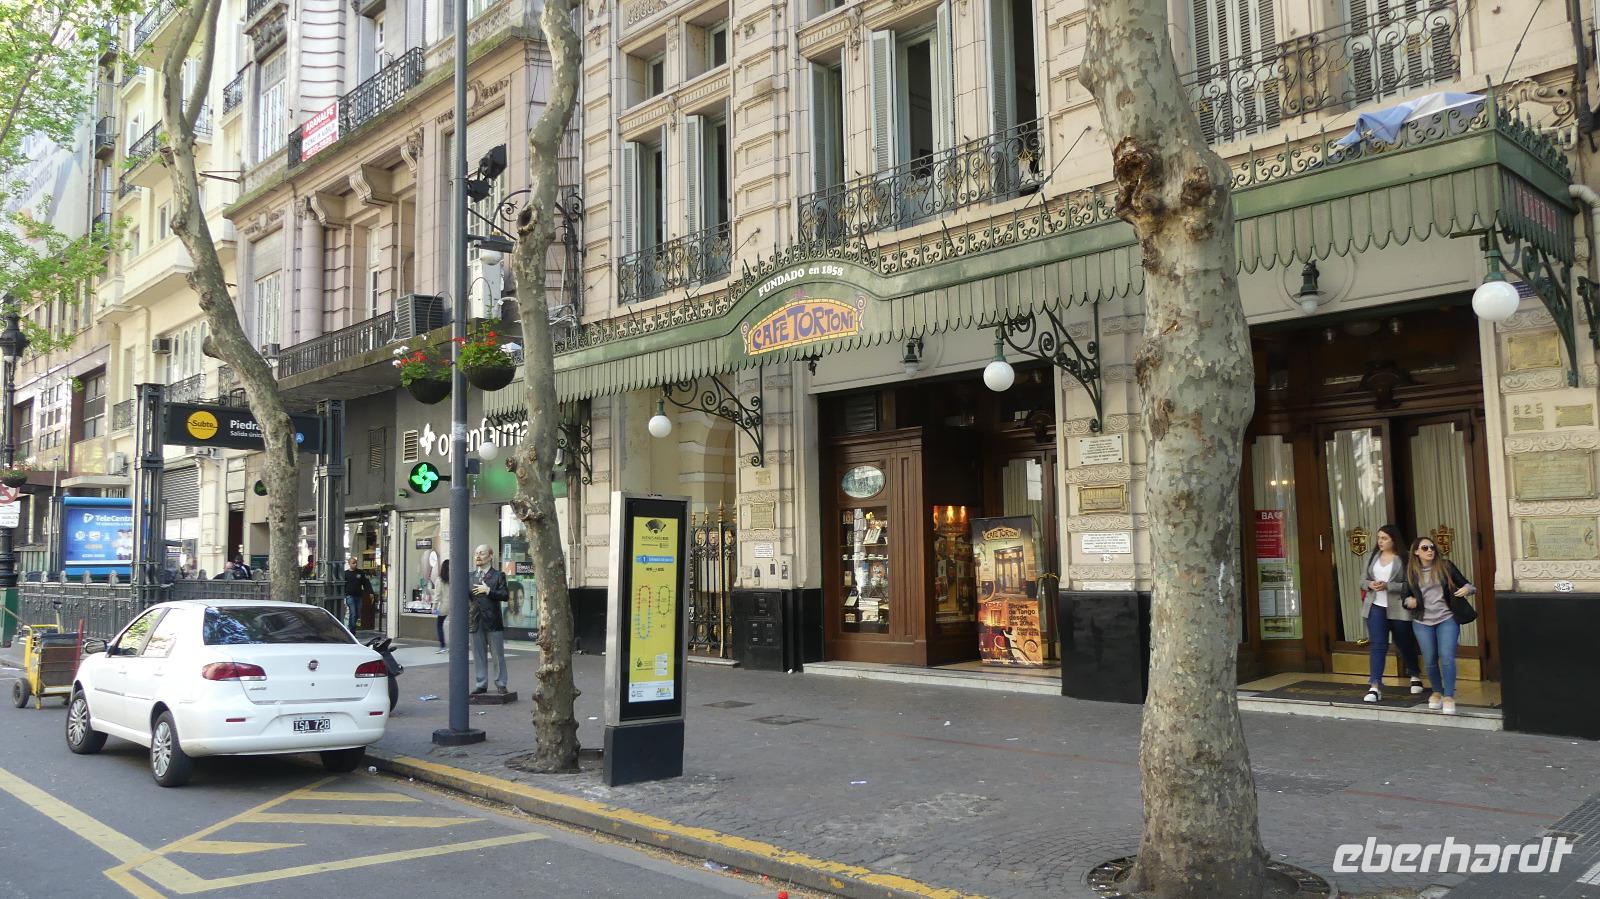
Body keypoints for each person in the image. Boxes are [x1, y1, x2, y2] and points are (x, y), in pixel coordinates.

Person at [1402, 537, 1475, 715]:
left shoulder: (1445, 566)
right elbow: (1405, 596)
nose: (1430, 550)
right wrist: (1409, 601)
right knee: (1429, 659)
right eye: (1425, 548)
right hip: (1422, 621)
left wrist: (1467, 589)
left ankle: (1448, 696)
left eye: (1432, 547)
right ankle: (1437, 692)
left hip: (1446, 618)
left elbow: (1469, 585)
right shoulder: (1411, 572)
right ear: (1416, 552)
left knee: (1447, 656)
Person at [1359, 524, 1424, 703]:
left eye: (1384, 538)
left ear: (1394, 540)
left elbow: (1411, 584)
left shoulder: (1405, 558)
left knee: (1404, 642)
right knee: (1378, 645)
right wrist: (1370, 584)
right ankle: (1375, 686)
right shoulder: (1371, 556)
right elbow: (1362, 580)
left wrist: (1389, 586)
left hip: (1398, 607)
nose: (1380, 541)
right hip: (1375, 606)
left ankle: (1414, 673)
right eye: (1379, 538)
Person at [468, 544, 510, 694]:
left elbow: (505, 595)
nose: (478, 556)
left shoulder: (498, 575)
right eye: (476, 554)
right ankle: (481, 684)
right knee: (478, 655)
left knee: (498, 655)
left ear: (491, 556)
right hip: (475, 621)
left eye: (481, 553)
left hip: (493, 621)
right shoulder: (470, 576)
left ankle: (501, 683)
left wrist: (489, 591)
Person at [342, 556, 372, 632]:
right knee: (353, 613)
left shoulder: (360, 573)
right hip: (349, 596)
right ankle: (351, 631)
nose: (355, 564)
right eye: (353, 563)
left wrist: (370, 592)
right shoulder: (345, 574)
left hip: (359, 596)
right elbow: (343, 585)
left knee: (358, 614)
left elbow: (366, 583)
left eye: (356, 563)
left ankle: (352, 628)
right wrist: (344, 595)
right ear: (349, 564)